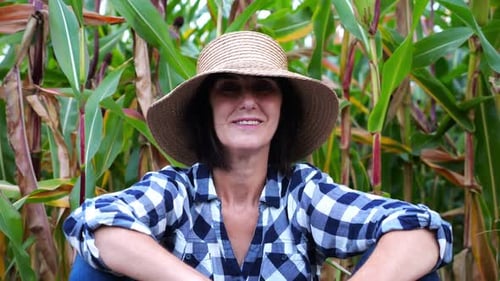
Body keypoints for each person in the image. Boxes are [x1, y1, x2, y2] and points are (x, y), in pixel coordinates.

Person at [63, 31, 453, 281]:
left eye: (264, 88)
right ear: (207, 110)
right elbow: (94, 222)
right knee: (92, 269)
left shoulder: (303, 194)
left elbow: (420, 230)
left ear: (283, 109)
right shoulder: (176, 191)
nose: (248, 102)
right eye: (229, 89)